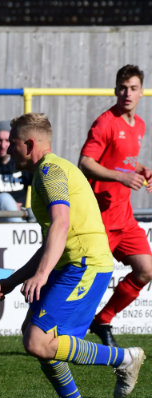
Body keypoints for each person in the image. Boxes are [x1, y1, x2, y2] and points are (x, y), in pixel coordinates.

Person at [0, 113, 145, 398]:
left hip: (85, 264)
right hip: (71, 263)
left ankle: (124, 358)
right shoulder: (47, 172)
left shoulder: (50, 171)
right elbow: (51, 238)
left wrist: (42, 274)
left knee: (38, 340)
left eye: (15, 144)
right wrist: (13, 280)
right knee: (36, 336)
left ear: (30, 144)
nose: (9, 150)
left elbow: (61, 223)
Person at [79, 64, 152, 347]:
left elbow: (123, 160)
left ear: (141, 92)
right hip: (101, 218)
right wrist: (122, 177)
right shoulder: (105, 122)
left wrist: (141, 169)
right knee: (84, 279)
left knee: (146, 270)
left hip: (125, 217)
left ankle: (103, 319)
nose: (127, 93)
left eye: (133, 88)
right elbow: (85, 163)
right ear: (115, 90)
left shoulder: (140, 125)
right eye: (122, 88)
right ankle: (49, 326)